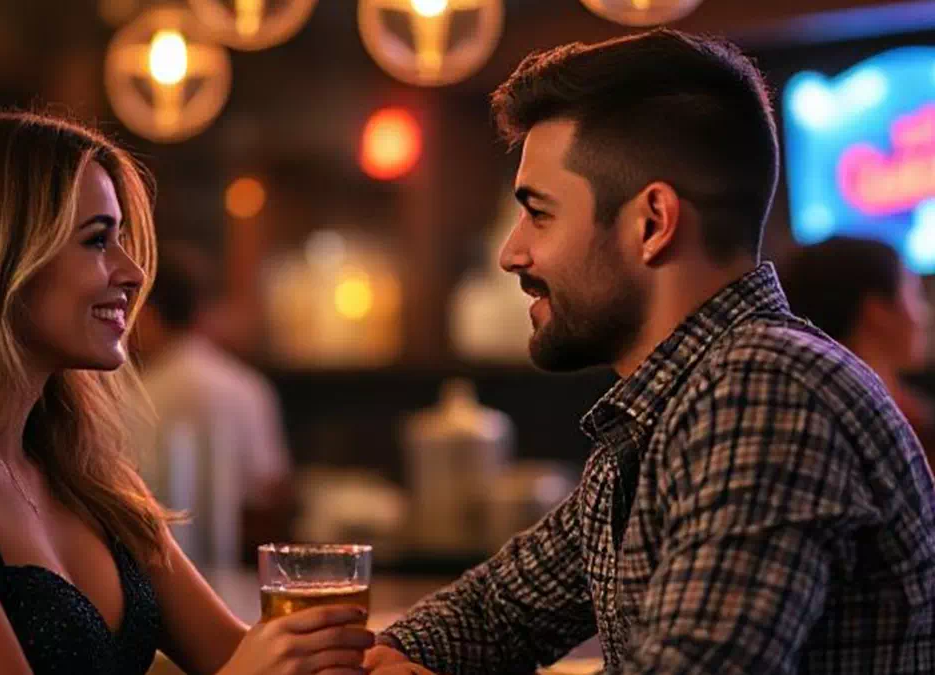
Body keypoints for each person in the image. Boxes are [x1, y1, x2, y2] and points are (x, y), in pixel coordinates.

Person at [365, 29, 935, 675]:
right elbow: (495, 612)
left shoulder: (767, 390)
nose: (511, 253)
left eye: (539, 214)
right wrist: (379, 657)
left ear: (653, 222)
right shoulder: (662, 411)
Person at [0, 112, 372, 675]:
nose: (133, 273)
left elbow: (240, 657)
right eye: (98, 239)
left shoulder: (86, 477)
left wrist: (381, 659)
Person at [132, 243, 294, 571]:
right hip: (247, 565)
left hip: (156, 563)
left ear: (147, 313)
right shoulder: (247, 383)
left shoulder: (139, 393)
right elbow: (271, 489)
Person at [781, 236, 935, 462]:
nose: (925, 313)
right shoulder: (907, 432)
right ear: (876, 312)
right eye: (914, 295)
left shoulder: (799, 411)